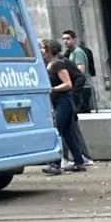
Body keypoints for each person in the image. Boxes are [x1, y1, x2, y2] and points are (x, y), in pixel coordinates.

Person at [41, 39, 91, 173]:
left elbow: (68, 84)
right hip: (59, 102)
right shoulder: (49, 65)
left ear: (49, 50)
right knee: (68, 133)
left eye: (43, 48)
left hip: (64, 102)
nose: (41, 51)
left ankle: (55, 163)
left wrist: (53, 89)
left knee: (58, 130)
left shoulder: (58, 64)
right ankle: (79, 162)